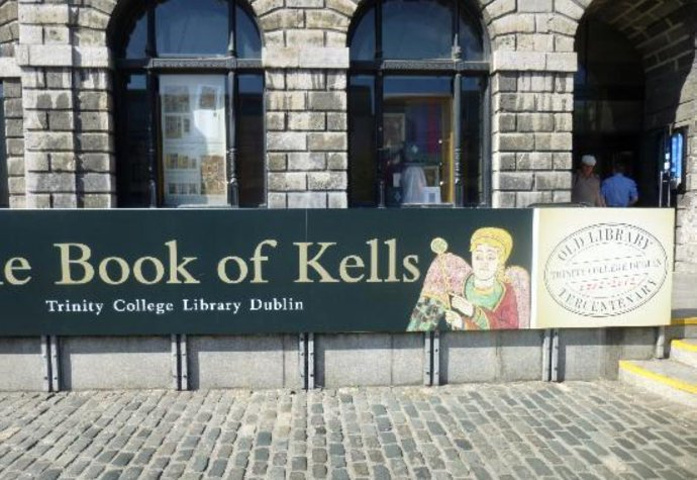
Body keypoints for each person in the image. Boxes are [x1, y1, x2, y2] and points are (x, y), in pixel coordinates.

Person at [407, 227, 529, 331]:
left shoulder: (507, 291)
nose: (483, 263)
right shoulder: (457, 281)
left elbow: (510, 330)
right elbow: (422, 322)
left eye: (490, 257)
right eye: (478, 257)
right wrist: (460, 323)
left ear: (500, 261)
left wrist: (472, 312)